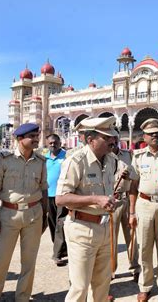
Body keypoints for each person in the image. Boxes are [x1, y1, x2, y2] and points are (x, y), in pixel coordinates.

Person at [0, 123, 48, 302]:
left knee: (29, 262)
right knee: (0, 260)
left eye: (37, 136)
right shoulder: (5, 159)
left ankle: (23, 298)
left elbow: (43, 190)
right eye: (32, 136)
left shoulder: (41, 161)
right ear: (19, 139)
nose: (36, 139)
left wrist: (45, 216)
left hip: (34, 214)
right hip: (8, 215)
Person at [55, 116, 118, 302]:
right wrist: (95, 199)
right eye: (106, 138)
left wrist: (108, 201)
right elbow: (61, 198)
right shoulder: (75, 161)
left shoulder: (111, 160)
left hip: (105, 228)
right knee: (80, 287)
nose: (112, 141)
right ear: (90, 140)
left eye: (112, 137)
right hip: (82, 229)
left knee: (102, 284)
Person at [129, 118, 158, 302]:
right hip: (144, 204)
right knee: (144, 247)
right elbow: (133, 185)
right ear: (144, 137)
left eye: (157, 132)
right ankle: (145, 286)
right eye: (150, 133)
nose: (154, 135)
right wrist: (131, 212)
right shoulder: (138, 157)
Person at [110, 132, 140, 280]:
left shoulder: (129, 155)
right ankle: (110, 271)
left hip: (127, 199)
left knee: (132, 236)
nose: (112, 141)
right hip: (111, 201)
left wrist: (130, 176)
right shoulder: (103, 156)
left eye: (115, 138)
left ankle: (135, 268)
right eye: (110, 138)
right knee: (111, 238)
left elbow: (136, 176)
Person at [44, 133, 68, 266]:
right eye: (50, 143)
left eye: (55, 142)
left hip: (62, 196)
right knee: (52, 223)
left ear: (60, 143)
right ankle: (61, 248)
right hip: (48, 196)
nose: (53, 145)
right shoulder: (44, 158)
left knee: (60, 223)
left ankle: (57, 254)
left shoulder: (66, 157)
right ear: (47, 144)